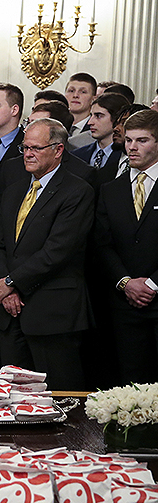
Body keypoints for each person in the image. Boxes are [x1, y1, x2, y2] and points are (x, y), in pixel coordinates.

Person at [0, 118, 94, 390]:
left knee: (61, 395)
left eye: (36, 148)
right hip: (10, 311)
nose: (28, 154)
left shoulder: (77, 191)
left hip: (52, 313)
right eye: (25, 148)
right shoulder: (15, 190)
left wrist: (11, 283)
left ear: (58, 150)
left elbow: (57, 251)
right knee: (13, 396)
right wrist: (7, 288)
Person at [95, 109, 158, 384]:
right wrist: (125, 282)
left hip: (157, 295)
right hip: (123, 304)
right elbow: (102, 244)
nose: (132, 147)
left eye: (142, 140)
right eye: (129, 140)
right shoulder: (111, 189)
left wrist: (152, 284)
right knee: (129, 381)